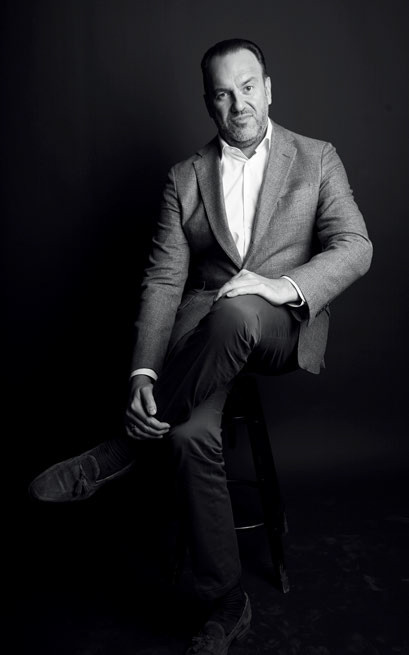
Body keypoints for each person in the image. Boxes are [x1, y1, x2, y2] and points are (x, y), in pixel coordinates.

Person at [29, 38, 373, 655]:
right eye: (223, 94)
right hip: (203, 338)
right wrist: (142, 373)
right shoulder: (184, 178)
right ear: (209, 104)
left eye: (248, 87)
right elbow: (164, 281)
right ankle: (225, 600)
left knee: (239, 310)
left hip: (277, 324)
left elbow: (356, 245)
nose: (238, 104)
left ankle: (122, 450)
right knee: (187, 434)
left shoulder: (316, 157)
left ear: (269, 88)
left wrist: (280, 286)